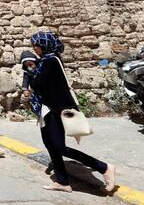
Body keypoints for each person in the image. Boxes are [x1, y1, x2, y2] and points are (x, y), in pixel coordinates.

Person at [29, 31, 115, 192]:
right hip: (47, 110)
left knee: (59, 147)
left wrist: (31, 72)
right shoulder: (45, 61)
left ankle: (104, 168)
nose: (34, 48)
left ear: (43, 45)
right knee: (50, 145)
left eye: (35, 45)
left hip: (57, 110)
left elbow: (38, 84)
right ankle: (62, 181)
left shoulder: (50, 61)